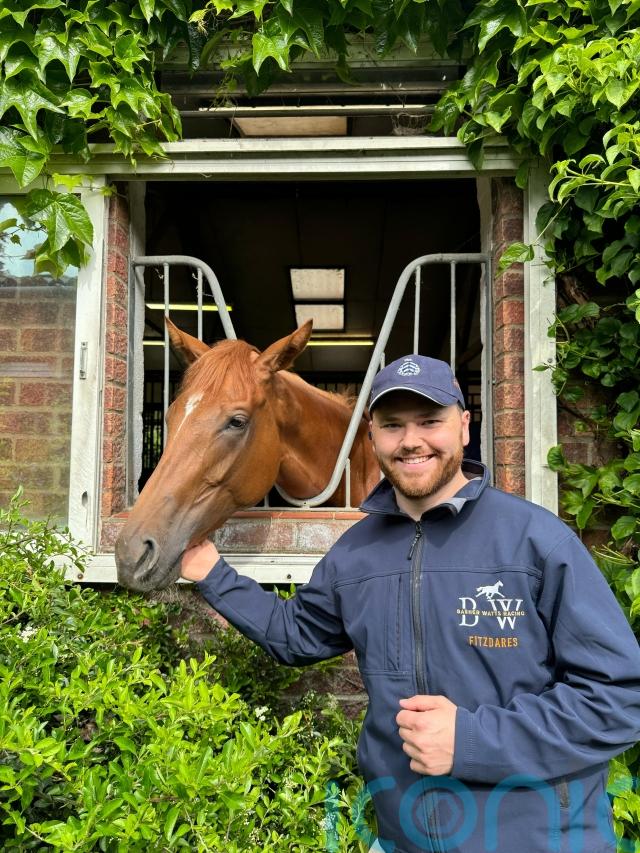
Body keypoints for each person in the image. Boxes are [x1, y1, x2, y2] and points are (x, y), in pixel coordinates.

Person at [181, 354, 640, 853]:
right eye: (393, 425)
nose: (411, 441)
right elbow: (296, 635)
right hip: (403, 840)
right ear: (372, 436)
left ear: (464, 426)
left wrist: (471, 740)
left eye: (429, 421)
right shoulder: (356, 553)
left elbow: (619, 698)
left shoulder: (535, 541)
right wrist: (212, 572)